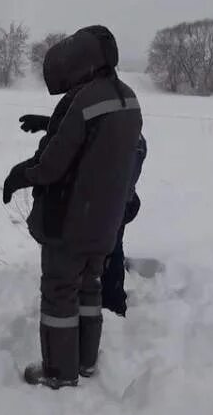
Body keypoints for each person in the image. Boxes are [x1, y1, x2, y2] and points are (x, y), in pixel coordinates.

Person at [2, 26, 143, 389]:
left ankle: (58, 372)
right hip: (105, 220)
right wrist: (50, 123)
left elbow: (53, 164)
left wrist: (19, 175)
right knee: (89, 287)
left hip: (71, 218)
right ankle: (85, 362)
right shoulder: (126, 97)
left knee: (59, 292)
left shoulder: (83, 99)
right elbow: (98, 140)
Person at [16, 117, 147, 318]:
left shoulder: (119, 135)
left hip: (103, 207)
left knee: (102, 254)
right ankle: (107, 306)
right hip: (111, 203)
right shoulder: (121, 122)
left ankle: (108, 308)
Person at [101, 135, 146, 317]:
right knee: (111, 251)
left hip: (109, 204)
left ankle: (111, 306)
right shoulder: (134, 134)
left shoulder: (124, 136)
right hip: (118, 203)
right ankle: (112, 304)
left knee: (108, 253)